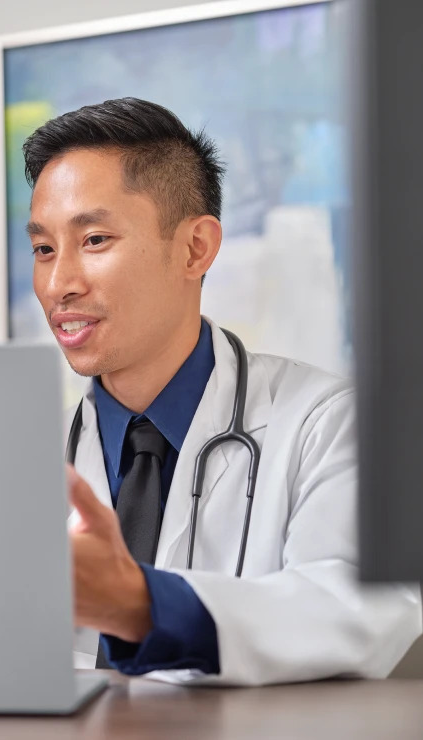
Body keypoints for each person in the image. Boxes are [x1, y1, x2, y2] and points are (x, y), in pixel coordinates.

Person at [23, 98, 421, 685]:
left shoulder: (330, 424)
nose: (59, 284)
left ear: (195, 248)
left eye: (96, 239)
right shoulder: (23, 456)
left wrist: (143, 605)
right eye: (43, 249)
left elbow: (364, 606)